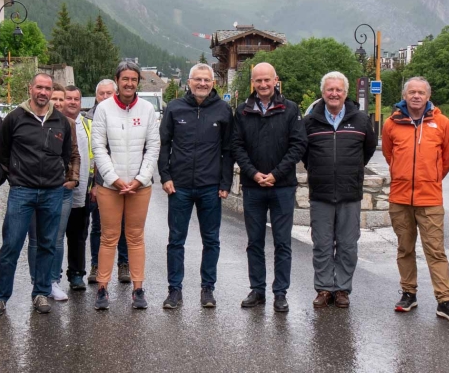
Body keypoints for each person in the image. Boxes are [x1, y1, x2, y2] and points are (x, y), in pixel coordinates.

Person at [0, 73, 78, 316]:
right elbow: (2, 152)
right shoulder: (15, 118)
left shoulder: (60, 121)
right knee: (11, 245)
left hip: (52, 192)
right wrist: (15, 175)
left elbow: (66, 154)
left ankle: (40, 293)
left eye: (47, 88)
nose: (43, 92)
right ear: (31, 88)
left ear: (51, 92)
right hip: (22, 192)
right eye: (39, 87)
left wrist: (59, 176)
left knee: (47, 245)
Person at [382, 77, 449, 323]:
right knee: (405, 248)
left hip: (429, 199)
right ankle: (409, 293)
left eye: (421, 92)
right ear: (404, 96)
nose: (416, 96)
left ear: (428, 96)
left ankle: (444, 300)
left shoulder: (442, 123)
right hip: (400, 197)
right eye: (412, 92)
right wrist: (402, 173)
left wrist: (432, 178)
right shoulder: (391, 123)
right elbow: (389, 154)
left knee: (435, 251)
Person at [231, 62, 307, 313]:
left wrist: (275, 174)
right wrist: (253, 174)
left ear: (276, 80)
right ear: (252, 83)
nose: (263, 85)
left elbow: (298, 146)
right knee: (254, 242)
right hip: (253, 188)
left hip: (282, 187)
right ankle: (257, 290)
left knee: (283, 242)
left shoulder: (291, 109)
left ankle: (280, 293)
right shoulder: (242, 111)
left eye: (267, 80)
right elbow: (237, 146)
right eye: (258, 81)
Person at [159, 63, 233, 309]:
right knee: (176, 240)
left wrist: (225, 182)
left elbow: (228, 150)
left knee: (211, 240)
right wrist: (165, 176)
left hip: (210, 187)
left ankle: (208, 289)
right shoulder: (174, 107)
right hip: (179, 186)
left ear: (213, 83)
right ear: (189, 82)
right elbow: (164, 144)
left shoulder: (223, 110)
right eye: (198, 79)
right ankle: (174, 291)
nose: (202, 83)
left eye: (207, 80)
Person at [91, 61, 161, 310]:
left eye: (133, 79)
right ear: (117, 80)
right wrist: (113, 178)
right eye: (125, 79)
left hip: (139, 185)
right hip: (111, 185)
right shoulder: (104, 109)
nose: (129, 83)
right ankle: (102, 288)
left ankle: (138, 289)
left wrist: (141, 178)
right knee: (109, 237)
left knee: (135, 236)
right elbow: (98, 146)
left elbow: (153, 146)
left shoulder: (147, 109)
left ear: (138, 82)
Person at [303, 72, 376, 309]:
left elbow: (367, 150)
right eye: (329, 90)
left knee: (347, 245)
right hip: (321, 194)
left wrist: (350, 170)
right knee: (322, 244)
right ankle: (324, 288)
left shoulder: (361, 120)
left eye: (339, 90)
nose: (334, 94)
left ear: (345, 93)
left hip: (349, 194)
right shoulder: (310, 122)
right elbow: (305, 154)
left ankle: (342, 289)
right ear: (323, 93)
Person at [26, 83, 80, 301]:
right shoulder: (33, 120)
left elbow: (75, 154)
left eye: (61, 99)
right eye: (54, 98)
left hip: (61, 189)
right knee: (35, 239)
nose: (57, 103)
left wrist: (73, 179)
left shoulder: (68, 123)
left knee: (56, 239)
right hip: (33, 188)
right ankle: (36, 281)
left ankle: (52, 280)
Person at [86, 79, 130, 285]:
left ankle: (123, 264)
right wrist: (94, 183)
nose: (104, 97)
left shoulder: (123, 114)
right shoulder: (88, 118)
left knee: (123, 226)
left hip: (124, 180)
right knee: (98, 226)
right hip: (100, 181)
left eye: (108, 93)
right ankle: (96, 265)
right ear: (96, 96)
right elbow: (92, 154)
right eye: (101, 93)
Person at [62, 85, 92, 290]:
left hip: (82, 190)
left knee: (78, 236)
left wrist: (95, 184)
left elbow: (96, 156)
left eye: (76, 99)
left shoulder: (89, 125)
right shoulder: (55, 122)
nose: (72, 102)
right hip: (56, 188)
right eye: (68, 98)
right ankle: (50, 277)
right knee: (52, 238)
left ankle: (76, 274)